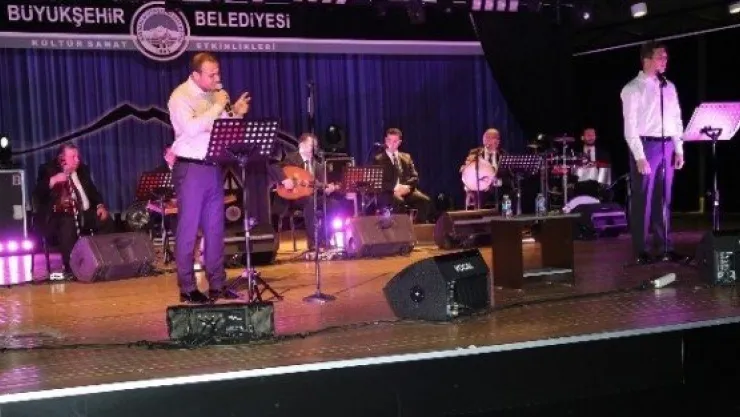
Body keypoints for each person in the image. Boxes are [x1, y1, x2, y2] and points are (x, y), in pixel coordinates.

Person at [167, 52, 252, 303]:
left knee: (215, 229)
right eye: (211, 74)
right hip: (190, 168)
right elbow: (192, 128)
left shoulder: (215, 96)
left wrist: (235, 114)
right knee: (189, 229)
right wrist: (218, 106)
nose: (217, 78)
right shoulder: (180, 97)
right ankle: (187, 287)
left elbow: (223, 129)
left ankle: (217, 284)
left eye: (218, 73)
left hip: (213, 166)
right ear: (196, 75)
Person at [620, 41, 686, 264]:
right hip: (646, 146)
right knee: (643, 199)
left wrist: (679, 148)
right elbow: (630, 126)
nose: (665, 61)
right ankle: (641, 250)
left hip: (667, 146)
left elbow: (676, 118)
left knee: (664, 198)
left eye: (666, 57)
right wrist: (639, 156)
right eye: (660, 57)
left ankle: (665, 245)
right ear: (647, 59)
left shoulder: (669, 87)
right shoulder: (632, 88)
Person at [34, 142, 115, 277]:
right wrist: (53, 180)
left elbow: (93, 191)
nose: (77, 160)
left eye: (78, 156)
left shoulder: (83, 169)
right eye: (73, 157)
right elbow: (38, 193)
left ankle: (104, 259)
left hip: (84, 214)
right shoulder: (48, 169)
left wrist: (100, 205)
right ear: (62, 158)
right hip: (58, 217)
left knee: (106, 220)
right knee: (67, 222)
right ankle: (72, 266)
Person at [271, 133, 341, 250]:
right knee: (310, 201)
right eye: (310, 145)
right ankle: (313, 242)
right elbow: (275, 168)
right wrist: (284, 179)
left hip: (312, 196)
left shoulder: (318, 166)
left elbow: (320, 186)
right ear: (301, 145)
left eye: (315, 146)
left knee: (334, 204)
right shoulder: (291, 159)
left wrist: (327, 189)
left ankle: (324, 238)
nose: (313, 149)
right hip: (293, 198)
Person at [373, 128, 431, 223]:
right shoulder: (378, 159)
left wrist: (407, 187)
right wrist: (395, 188)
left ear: (399, 142)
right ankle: (401, 228)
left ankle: (417, 227)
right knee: (399, 201)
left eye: (395, 141)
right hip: (388, 193)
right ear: (385, 140)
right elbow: (377, 182)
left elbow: (415, 177)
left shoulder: (406, 157)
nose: (391, 144)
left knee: (425, 201)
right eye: (389, 140)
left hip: (405, 190)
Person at [460, 128, 507, 209]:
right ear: (485, 140)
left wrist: (498, 181)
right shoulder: (475, 153)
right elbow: (467, 170)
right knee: (477, 191)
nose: (498, 141)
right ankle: (478, 214)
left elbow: (507, 173)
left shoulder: (502, 153)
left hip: (497, 185)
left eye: (498, 138)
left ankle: (508, 214)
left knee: (511, 191)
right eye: (494, 138)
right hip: (481, 185)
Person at [574, 127, 612, 200]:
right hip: (580, 185)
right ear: (582, 137)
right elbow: (573, 172)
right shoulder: (576, 153)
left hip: (597, 186)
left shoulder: (603, 153)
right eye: (588, 135)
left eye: (592, 135)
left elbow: (607, 175)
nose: (591, 137)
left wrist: (597, 164)